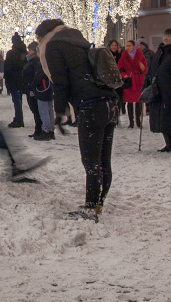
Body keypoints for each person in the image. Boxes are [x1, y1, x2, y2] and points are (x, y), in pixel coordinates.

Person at [37, 18, 120, 215]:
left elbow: (60, 80)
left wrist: (59, 111)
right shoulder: (80, 41)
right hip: (109, 102)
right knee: (103, 159)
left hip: (90, 105)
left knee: (91, 160)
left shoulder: (54, 46)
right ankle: (98, 203)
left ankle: (91, 208)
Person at [24, 40, 55, 141]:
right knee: (48, 109)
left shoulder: (39, 62)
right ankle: (49, 130)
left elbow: (39, 75)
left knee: (43, 110)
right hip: (46, 89)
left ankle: (46, 130)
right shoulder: (45, 60)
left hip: (41, 89)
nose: (28, 52)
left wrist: (33, 85)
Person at [118, 39, 148, 128]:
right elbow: (120, 67)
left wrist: (141, 66)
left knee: (138, 101)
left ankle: (138, 121)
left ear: (134, 46)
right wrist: (124, 75)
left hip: (138, 80)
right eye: (126, 46)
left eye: (129, 46)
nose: (128, 48)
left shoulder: (140, 55)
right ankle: (131, 121)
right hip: (129, 81)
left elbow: (145, 68)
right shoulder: (124, 55)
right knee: (129, 101)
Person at [3, 34, 28, 127]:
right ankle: (18, 118)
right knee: (19, 100)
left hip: (13, 80)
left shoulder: (11, 53)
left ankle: (19, 120)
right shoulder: (24, 53)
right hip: (22, 80)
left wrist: (7, 79)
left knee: (16, 101)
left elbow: (7, 68)